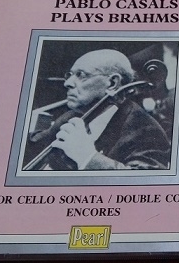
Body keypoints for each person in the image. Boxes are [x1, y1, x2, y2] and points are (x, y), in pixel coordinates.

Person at [23, 49, 171, 171]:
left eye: (81, 75)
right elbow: (34, 145)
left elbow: (144, 183)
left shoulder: (146, 130)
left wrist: (87, 156)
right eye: (70, 75)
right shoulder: (71, 117)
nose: (67, 83)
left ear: (112, 83)